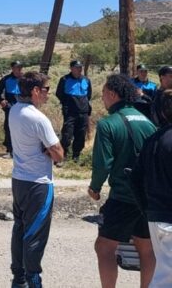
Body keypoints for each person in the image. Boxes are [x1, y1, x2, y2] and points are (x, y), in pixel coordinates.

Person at [89, 74, 157, 288]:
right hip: (147, 198)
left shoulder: (108, 124)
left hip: (122, 196)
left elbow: (103, 164)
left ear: (112, 94)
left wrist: (95, 187)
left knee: (104, 247)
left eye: (103, 94)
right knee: (146, 248)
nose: (102, 98)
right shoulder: (147, 122)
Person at [8, 71, 64, 288]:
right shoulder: (38, 118)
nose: (48, 93)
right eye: (46, 89)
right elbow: (59, 154)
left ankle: (18, 278)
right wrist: (50, 150)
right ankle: (33, 280)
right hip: (38, 183)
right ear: (35, 91)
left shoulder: (14, 110)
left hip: (19, 179)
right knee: (35, 234)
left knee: (20, 229)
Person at [131, 88, 172, 288]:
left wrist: (146, 209)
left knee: (163, 275)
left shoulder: (153, 139)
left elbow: (135, 179)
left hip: (156, 217)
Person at [55, 60, 93, 162]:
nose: (79, 69)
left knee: (80, 135)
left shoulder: (86, 80)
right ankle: (63, 155)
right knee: (67, 134)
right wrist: (67, 103)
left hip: (83, 111)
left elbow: (89, 95)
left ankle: (76, 156)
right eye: (77, 67)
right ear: (71, 68)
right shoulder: (64, 79)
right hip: (70, 112)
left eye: (80, 67)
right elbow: (59, 93)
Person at [0, 60, 24, 158]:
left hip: (24, 107)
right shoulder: (6, 79)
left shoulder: (26, 79)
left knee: (23, 128)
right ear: (12, 69)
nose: (19, 70)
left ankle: (22, 150)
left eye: (20, 68)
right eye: (16, 68)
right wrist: (1, 100)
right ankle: (10, 150)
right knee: (9, 127)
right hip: (10, 107)